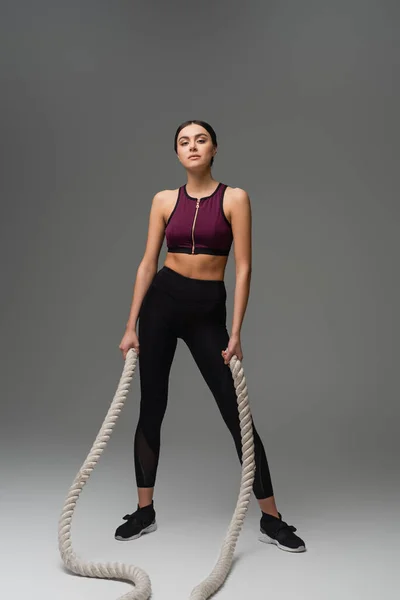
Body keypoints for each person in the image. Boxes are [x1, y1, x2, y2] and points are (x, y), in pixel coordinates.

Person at [114, 120, 306, 553]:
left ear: (214, 148)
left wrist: (235, 332)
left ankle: (272, 519)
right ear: (177, 154)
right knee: (152, 405)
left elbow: (244, 267)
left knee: (235, 412)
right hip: (161, 304)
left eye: (200, 139)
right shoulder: (163, 200)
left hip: (206, 312)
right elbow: (148, 264)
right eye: (184, 141)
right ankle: (145, 510)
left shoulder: (235, 198)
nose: (192, 146)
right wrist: (131, 325)